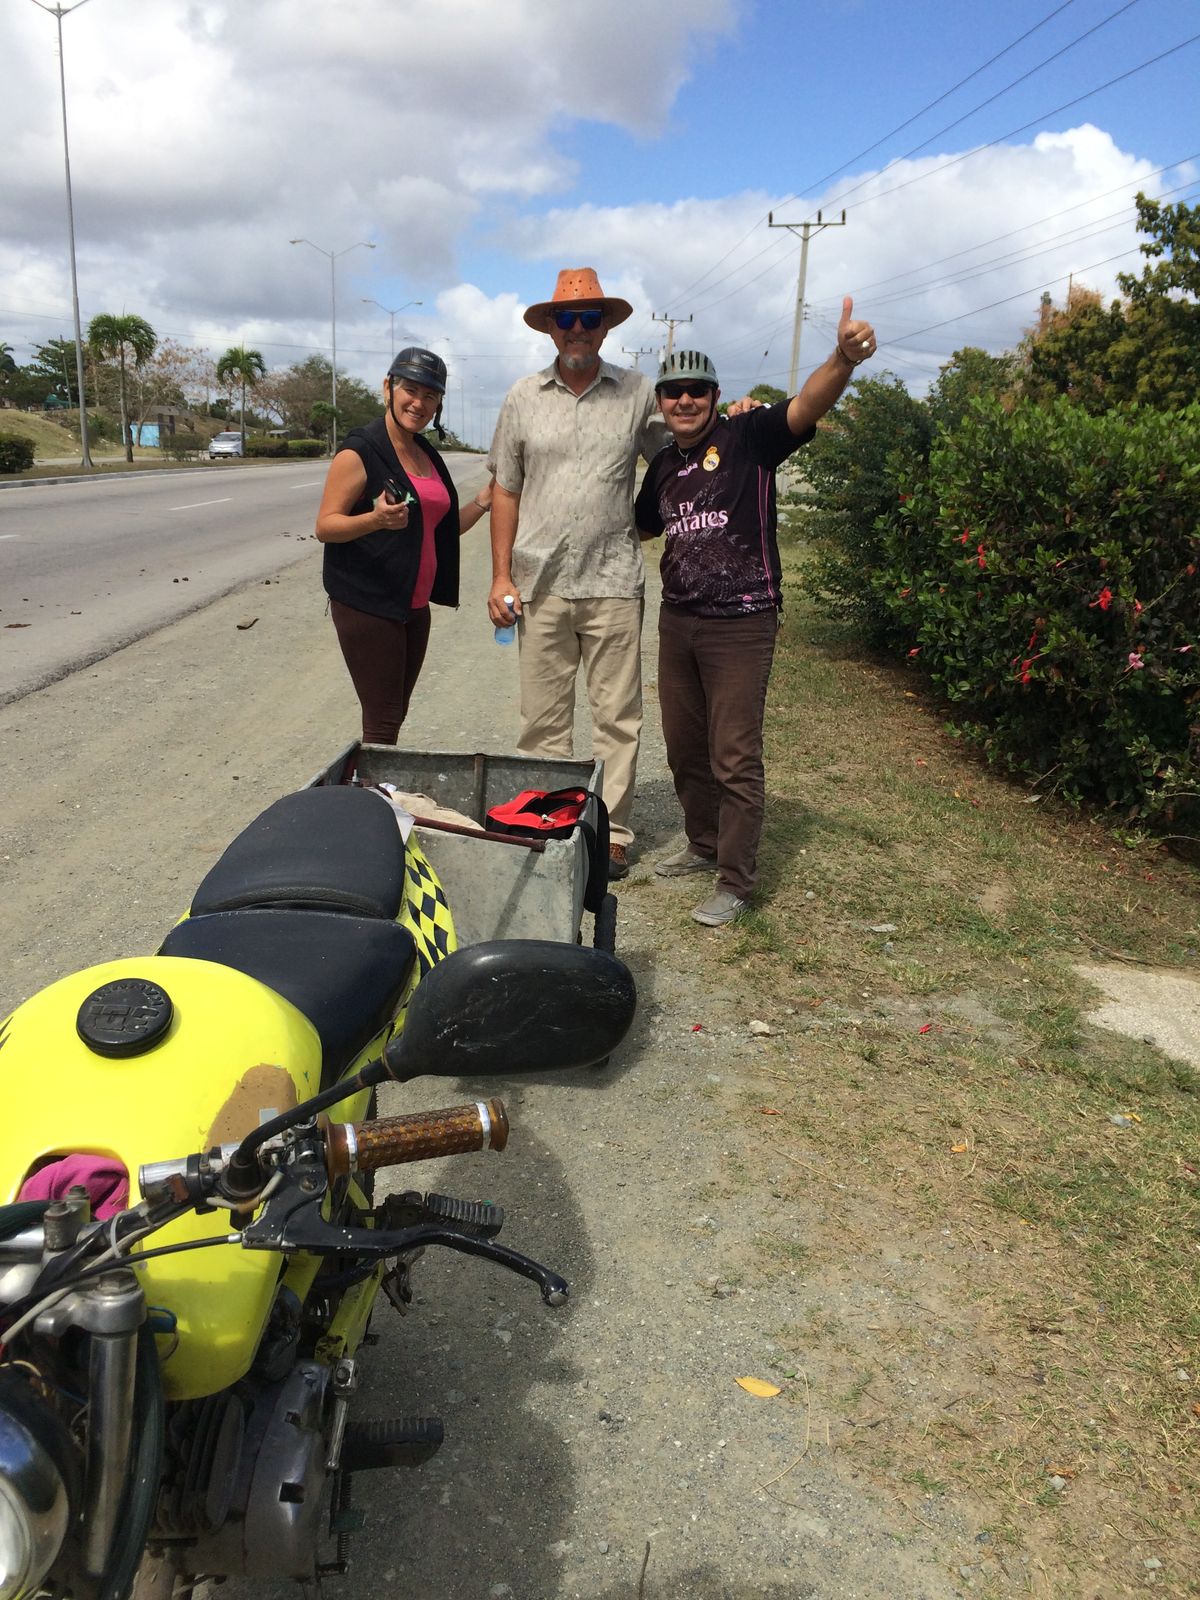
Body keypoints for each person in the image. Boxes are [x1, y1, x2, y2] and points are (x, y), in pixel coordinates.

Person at [634, 297, 877, 926]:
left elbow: (806, 406)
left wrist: (842, 359)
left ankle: (736, 882)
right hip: (678, 621)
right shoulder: (662, 467)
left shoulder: (749, 436)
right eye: (673, 392)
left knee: (734, 755)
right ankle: (703, 843)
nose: (685, 400)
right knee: (684, 748)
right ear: (660, 402)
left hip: (742, 623)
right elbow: (640, 526)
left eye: (697, 390)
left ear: (716, 396)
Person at [487, 268, 668, 880]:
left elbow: (678, 454)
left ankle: (610, 833)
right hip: (539, 583)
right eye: (566, 318)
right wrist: (499, 577)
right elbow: (506, 489)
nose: (578, 328)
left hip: (613, 579)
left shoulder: (638, 393)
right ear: (551, 327)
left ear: (605, 326)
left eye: (590, 317)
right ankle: (547, 820)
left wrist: (738, 416)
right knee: (542, 718)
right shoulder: (522, 397)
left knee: (617, 716)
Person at [316, 347, 493, 744]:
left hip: (412, 605)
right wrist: (375, 520)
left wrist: (484, 500)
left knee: (394, 714)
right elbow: (325, 526)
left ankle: (370, 781)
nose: (419, 403)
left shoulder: (424, 452)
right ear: (388, 388)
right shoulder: (360, 451)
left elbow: (441, 530)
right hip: (368, 602)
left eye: (430, 395)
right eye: (410, 390)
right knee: (382, 721)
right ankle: (367, 785)